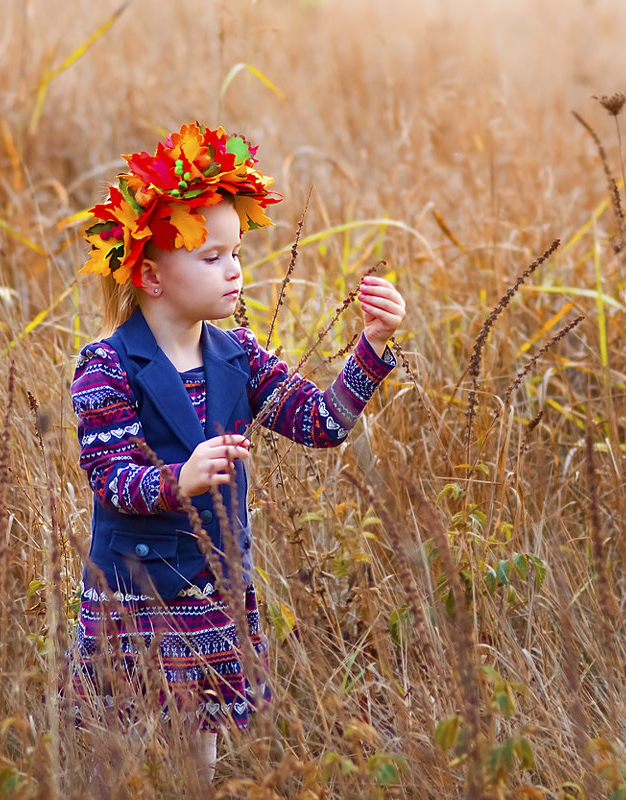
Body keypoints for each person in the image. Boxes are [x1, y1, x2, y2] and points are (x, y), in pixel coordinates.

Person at [67, 123, 405, 778]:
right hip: (134, 599)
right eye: (212, 256)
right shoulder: (107, 365)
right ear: (150, 274)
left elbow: (322, 421)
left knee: (199, 752)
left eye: (237, 252)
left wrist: (373, 344)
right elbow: (110, 477)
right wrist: (178, 479)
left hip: (212, 592)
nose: (235, 271)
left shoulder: (236, 357)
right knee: (122, 757)